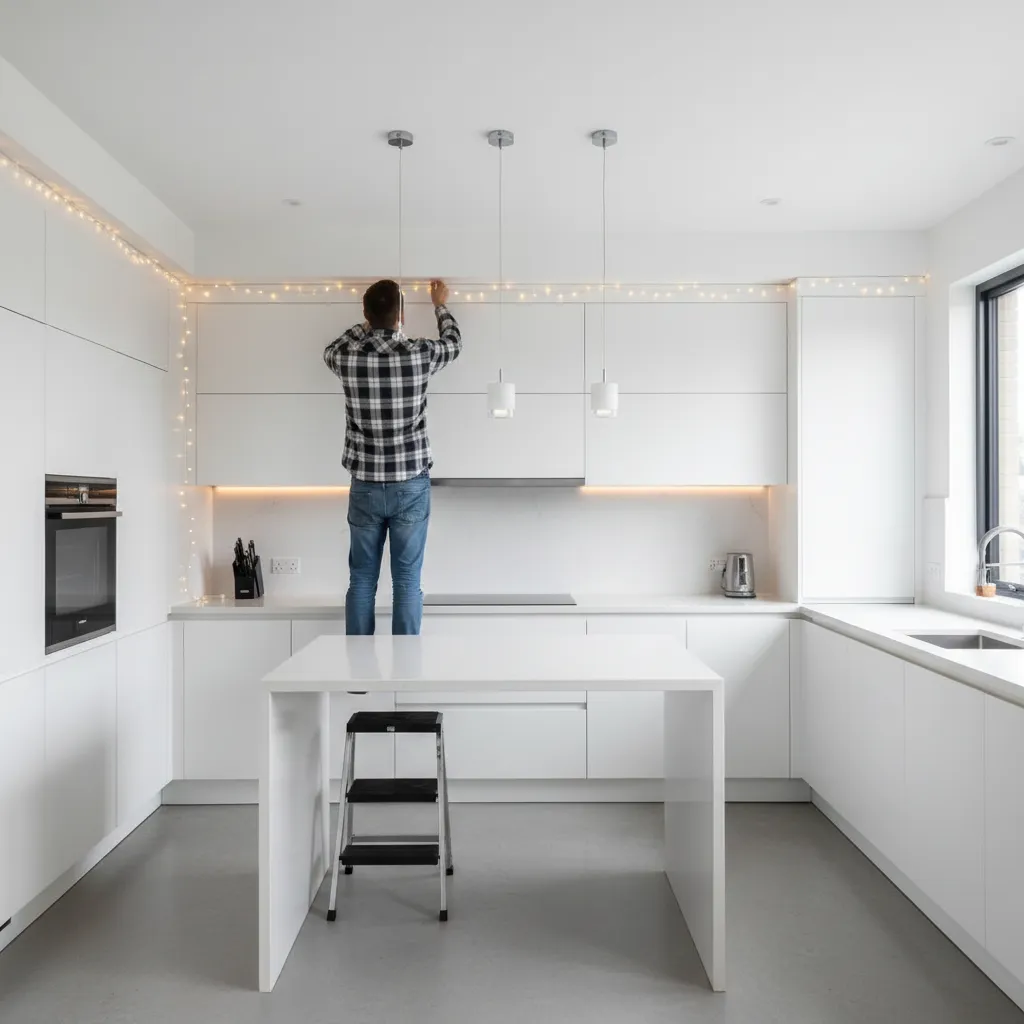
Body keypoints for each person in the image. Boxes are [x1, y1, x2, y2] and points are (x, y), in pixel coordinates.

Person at [323, 278, 461, 636]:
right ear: (401, 315)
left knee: (362, 581)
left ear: (366, 315)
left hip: (365, 485)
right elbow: (454, 343)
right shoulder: (419, 354)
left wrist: (366, 324)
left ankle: (359, 680)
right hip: (410, 484)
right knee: (407, 582)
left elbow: (331, 348)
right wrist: (439, 305)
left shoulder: (348, 356)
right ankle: (405, 678)